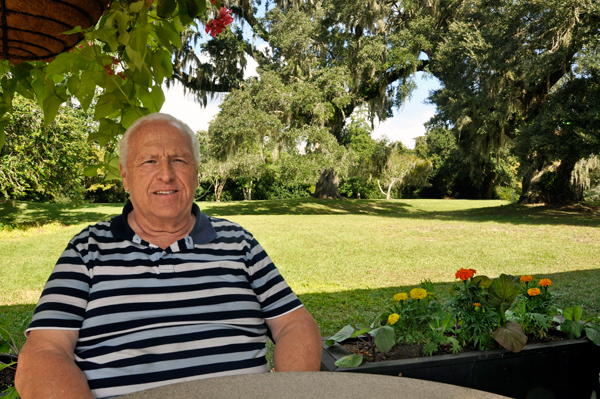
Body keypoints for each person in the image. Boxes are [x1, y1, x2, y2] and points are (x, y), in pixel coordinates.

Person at [15, 113, 322, 399]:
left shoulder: (239, 242)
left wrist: (290, 392)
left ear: (196, 171)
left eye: (179, 160)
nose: (166, 175)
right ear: (125, 175)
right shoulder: (87, 249)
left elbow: (294, 326)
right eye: (149, 161)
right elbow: (44, 353)